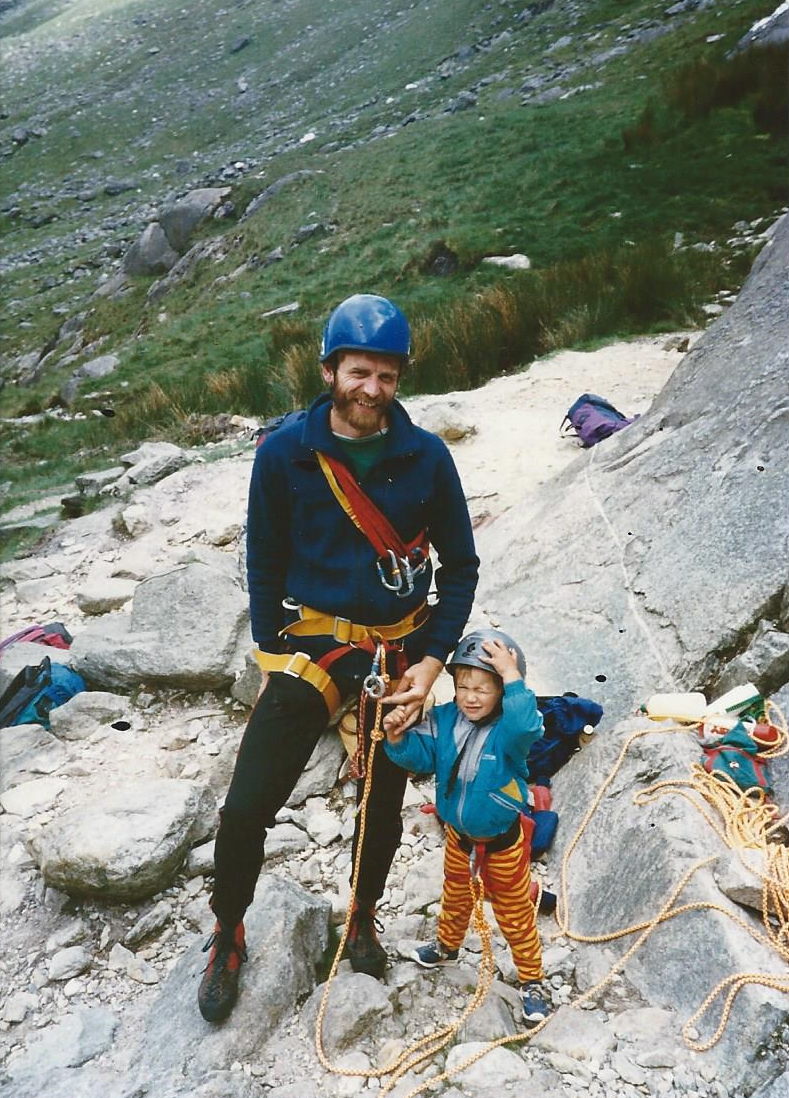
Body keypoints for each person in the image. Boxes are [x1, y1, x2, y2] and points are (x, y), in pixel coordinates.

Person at [198, 293, 479, 1022]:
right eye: (358, 373)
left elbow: (462, 567)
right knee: (246, 805)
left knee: (379, 806)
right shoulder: (284, 454)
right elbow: (263, 561)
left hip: (399, 648)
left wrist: (434, 660)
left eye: (385, 377)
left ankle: (361, 917)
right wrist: (269, 656)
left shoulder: (426, 457)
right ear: (329, 370)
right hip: (315, 644)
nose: (371, 390)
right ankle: (227, 930)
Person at [382, 629, 552, 1025]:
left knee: (514, 913)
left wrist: (513, 676)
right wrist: (396, 740)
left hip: (503, 846)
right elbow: (422, 757)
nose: (471, 697)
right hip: (458, 839)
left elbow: (528, 724)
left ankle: (531, 980)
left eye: (483, 689)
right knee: (455, 897)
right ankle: (447, 945)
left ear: (502, 693)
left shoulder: (510, 732)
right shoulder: (445, 720)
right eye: (463, 687)